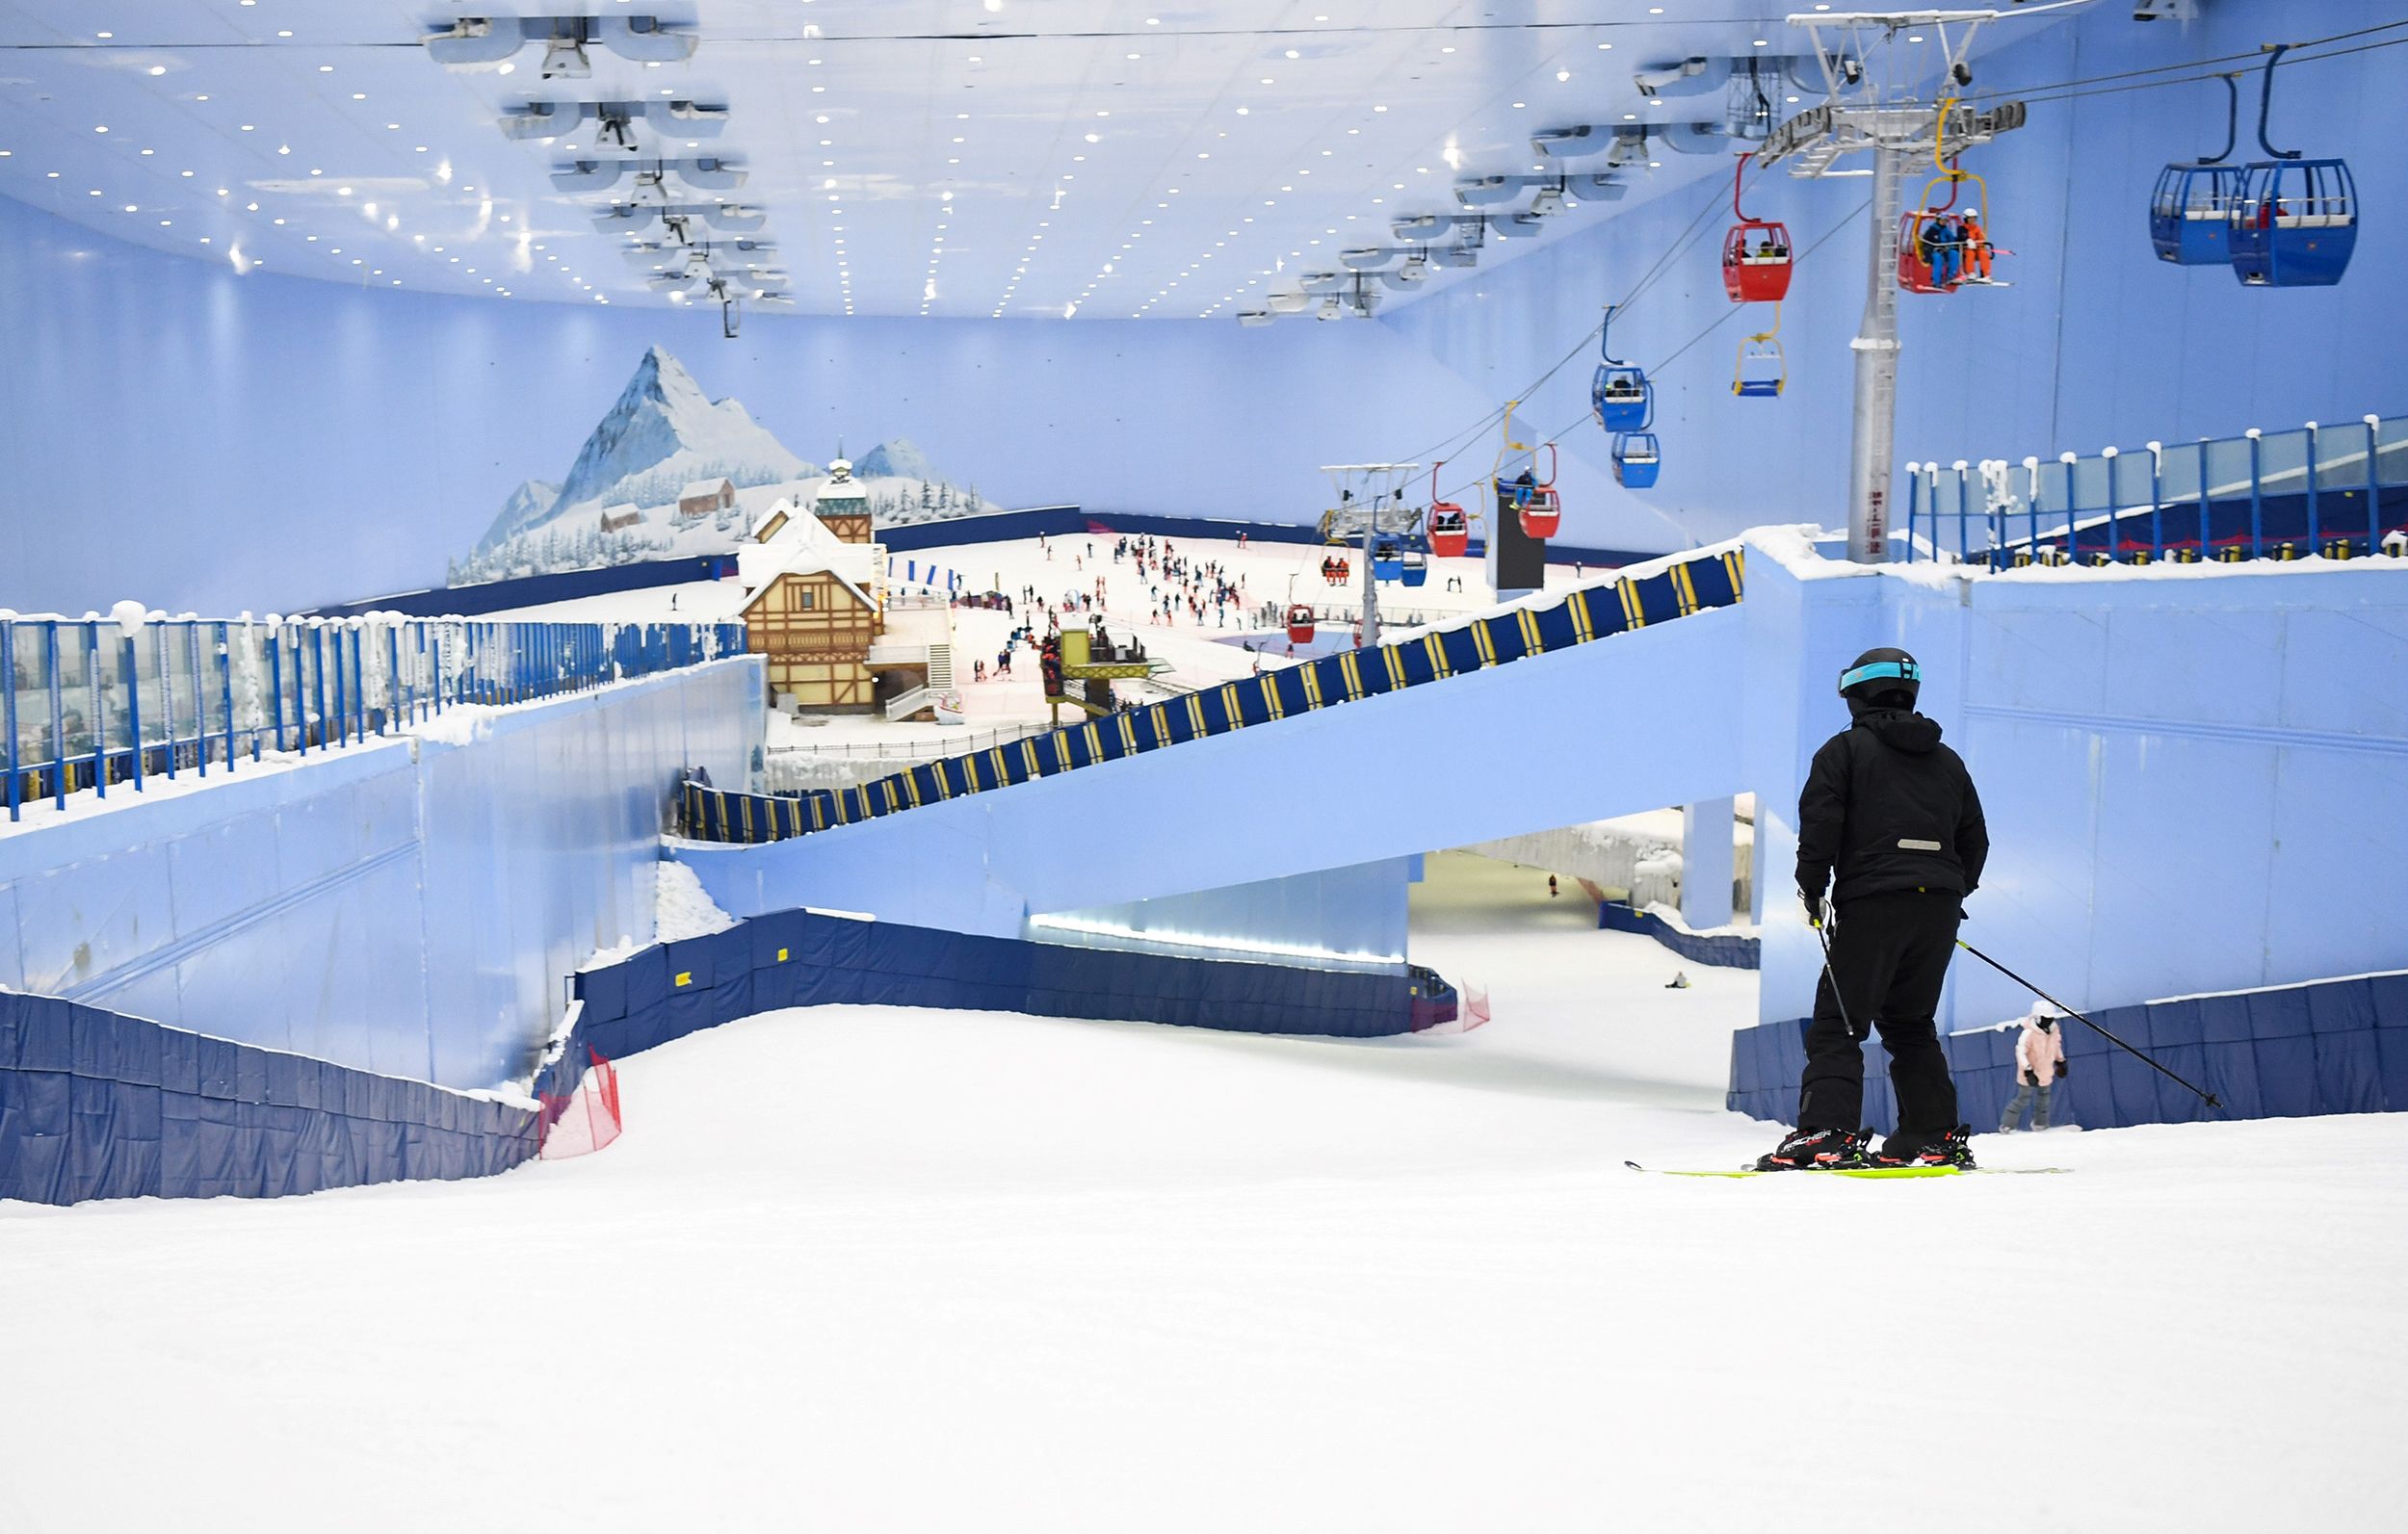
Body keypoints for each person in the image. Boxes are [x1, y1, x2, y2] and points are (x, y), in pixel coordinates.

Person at [1757, 647, 1989, 1171]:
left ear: (1857, 694)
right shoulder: (1948, 761)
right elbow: (1975, 839)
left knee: (1839, 1021)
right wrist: (1949, 890)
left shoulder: (1843, 752)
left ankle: (1827, 1135)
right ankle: (1934, 1137)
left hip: (1872, 900)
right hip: (1940, 908)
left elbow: (1821, 828)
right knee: (1910, 1023)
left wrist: (1811, 890)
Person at [1998, 1009, 2068, 1132]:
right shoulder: (2028, 1033)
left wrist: (2060, 1061)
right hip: (2029, 1073)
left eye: (2050, 1018)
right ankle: (2007, 1125)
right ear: (2038, 1017)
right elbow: (2020, 1051)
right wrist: (2028, 1069)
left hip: (2045, 1071)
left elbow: (2056, 1047)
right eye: (2045, 1017)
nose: (2048, 1020)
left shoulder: (2054, 1031)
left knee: (2044, 1099)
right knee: (2023, 1098)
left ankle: (2040, 1124)